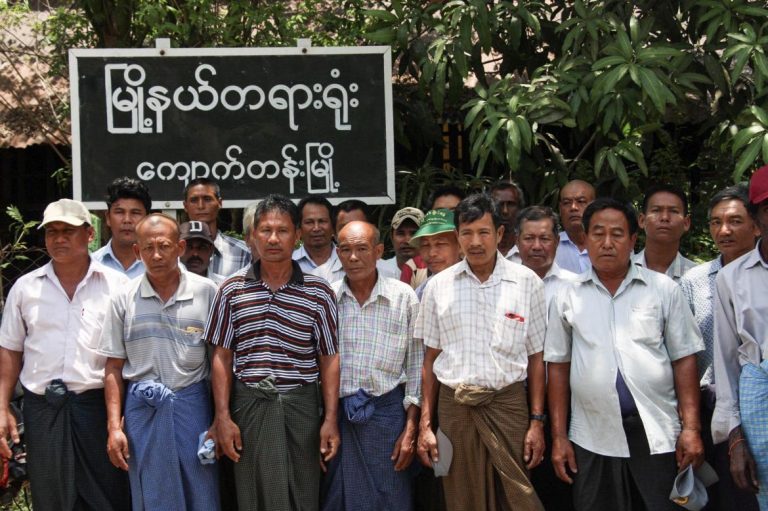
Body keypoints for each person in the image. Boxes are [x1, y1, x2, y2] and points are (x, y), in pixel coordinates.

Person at [545, 198, 705, 511]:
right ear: (586, 239)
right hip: (591, 433)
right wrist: (559, 437)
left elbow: (684, 359)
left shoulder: (662, 289)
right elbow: (559, 367)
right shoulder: (566, 294)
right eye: (598, 234)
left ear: (633, 240)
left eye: (617, 234)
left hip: (657, 431)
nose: (607, 243)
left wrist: (691, 429)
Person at [203, 194, 340, 511]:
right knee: (252, 495)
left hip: (301, 409)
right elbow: (221, 357)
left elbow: (329, 358)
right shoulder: (232, 289)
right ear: (252, 236)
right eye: (265, 230)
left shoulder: (318, 292)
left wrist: (330, 419)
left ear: (297, 236)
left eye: (282, 230)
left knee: (304, 493)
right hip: (249, 409)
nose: (273, 239)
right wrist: (222, 417)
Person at [416, 194, 547, 511]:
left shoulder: (527, 282)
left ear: (500, 234)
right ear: (458, 237)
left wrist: (537, 422)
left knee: (517, 498)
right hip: (453, 412)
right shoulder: (438, 286)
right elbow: (429, 361)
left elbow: (537, 360)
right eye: (467, 233)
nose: (475, 242)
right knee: (458, 496)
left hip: (509, 407)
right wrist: (425, 426)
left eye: (483, 232)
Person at [0, 199, 130, 511]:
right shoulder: (25, 288)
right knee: (51, 497)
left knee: (107, 496)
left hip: (97, 408)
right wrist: (2, 406)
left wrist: (119, 418)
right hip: (43, 409)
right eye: (52, 232)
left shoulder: (118, 286)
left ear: (89, 234)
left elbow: (129, 355)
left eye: (67, 231)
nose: (59, 239)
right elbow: (10, 350)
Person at [100, 214, 220, 511]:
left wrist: (221, 418)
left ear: (179, 248)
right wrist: (114, 427)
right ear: (137, 252)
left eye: (164, 246)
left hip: (194, 409)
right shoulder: (122, 298)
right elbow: (113, 367)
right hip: (143, 413)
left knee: (201, 491)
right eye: (148, 248)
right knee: (151, 493)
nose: (156, 255)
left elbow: (220, 360)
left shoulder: (208, 292)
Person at [321, 221, 422, 510]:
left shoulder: (403, 298)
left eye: (362, 249)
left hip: (388, 419)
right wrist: (326, 420)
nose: (353, 258)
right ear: (337, 254)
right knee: (338, 499)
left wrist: (411, 429)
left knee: (390, 497)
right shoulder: (326, 298)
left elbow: (416, 368)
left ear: (378, 251)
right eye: (346, 250)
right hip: (339, 418)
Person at [680, 183, 760, 511]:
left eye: (734, 221)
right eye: (715, 222)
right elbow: (682, 354)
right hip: (710, 405)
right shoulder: (694, 282)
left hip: (758, 400)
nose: (723, 230)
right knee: (721, 496)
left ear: (756, 225)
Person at [712, 165, 768, 509]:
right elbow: (727, 361)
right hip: (759, 412)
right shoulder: (732, 279)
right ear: (757, 218)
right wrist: (735, 439)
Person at [182, 177, 250, 276]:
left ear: (219, 203)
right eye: (194, 200)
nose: (201, 206)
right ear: (185, 206)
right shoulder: (173, 252)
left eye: (207, 199)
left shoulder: (244, 252)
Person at [634, 184, 696, 281]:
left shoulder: (697, 277)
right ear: (642, 220)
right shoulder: (620, 271)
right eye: (656, 210)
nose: (665, 218)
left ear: (686, 223)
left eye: (674, 211)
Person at [92, 176, 151, 279]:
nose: (127, 220)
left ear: (147, 219)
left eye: (135, 213)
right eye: (119, 212)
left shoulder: (164, 267)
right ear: (108, 218)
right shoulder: (92, 265)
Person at [516, 206, 577, 306]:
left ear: (557, 242)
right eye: (529, 238)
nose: (536, 246)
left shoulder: (574, 286)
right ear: (517, 241)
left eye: (544, 239)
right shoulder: (504, 285)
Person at [410, 209, 463, 299]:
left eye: (440, 243)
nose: (432, 253)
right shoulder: (421, 292)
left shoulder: (478, 282)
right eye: (425, 245)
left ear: (460, 245)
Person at [292, 196, 344, 284]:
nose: (316, 228)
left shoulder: (347, 259)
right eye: (309, 222)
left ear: (332, 226)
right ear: (299, 228)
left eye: (322, 221)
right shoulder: (289, 262)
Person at [554, 179, 595, 274]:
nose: (573, 207)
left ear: (594, 206)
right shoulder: (550, 246)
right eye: (567, 203)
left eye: (581, 201)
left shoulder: (608, 245)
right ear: (560, 209)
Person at [379, 207, 425, 280]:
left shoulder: (435, 272)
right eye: (400, 233)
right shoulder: (378, 272)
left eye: (414, 233)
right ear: (391, 237)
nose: (407, 240)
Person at [490, 179, 525, 262]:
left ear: (519, 209)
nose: (505, 211)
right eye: (499, 204)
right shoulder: (479, 250)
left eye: (510, 204)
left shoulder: (528, 251)